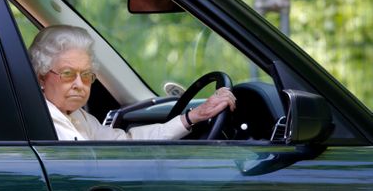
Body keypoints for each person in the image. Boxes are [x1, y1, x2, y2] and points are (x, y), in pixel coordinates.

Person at [29, 25, 237, 140]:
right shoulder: (43, 121)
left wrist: (192, 117)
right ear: (41, 77)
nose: (79, 83)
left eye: (86, 75)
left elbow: (126, 143)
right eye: (67, 73)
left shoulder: (76, 115)